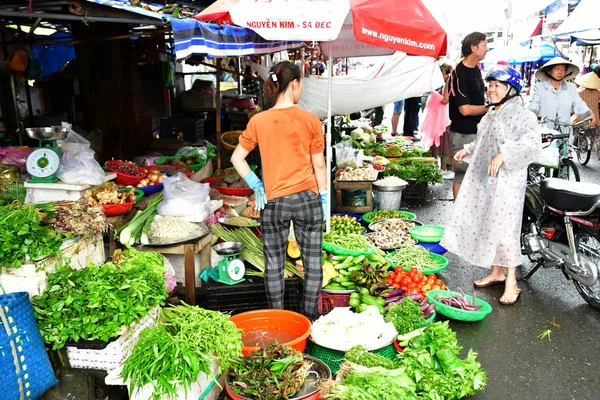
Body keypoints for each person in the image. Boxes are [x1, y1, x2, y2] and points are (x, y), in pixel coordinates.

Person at [230, 61, 327, 320]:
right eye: (301, 83)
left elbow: (237, 159)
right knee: (313, 264)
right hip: (308, 198)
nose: (302, 88)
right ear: (294, 84)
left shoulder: (259, 121)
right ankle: (308, 320)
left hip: (273, 201)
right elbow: (319, 163)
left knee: (273, 265)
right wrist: (325, 197)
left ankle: (279, 320)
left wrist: (256, 185)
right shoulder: (310, 120)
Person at [441, 66, 541, 306]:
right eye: (490, 85)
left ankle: (512, 282)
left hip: (508, 183)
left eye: (497, 85)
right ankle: (497, 272)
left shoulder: (521, 115)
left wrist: (503, 155)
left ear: (510, 89)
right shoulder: (491, 114)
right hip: (488, 180)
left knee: (506, 229)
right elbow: (484, 140)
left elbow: (531, 142)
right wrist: (469, 149)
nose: (491, 89)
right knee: (490, 223)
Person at [448, 32, 489, 200]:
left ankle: (466, 215)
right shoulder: (459, 74)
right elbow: (464, 110)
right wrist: (489, 108)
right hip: (463, 133)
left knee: (469, 175)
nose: (487, 49)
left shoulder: (476, 69)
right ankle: (459, 215)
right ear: (474, 47)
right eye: (484, 45)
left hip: (476, 130)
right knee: (463, 174)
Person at [528, 57, 597, 127]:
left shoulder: (571, 87)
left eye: (563, 69)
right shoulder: (539, 87)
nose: (560, 72)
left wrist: (588, 114)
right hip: (545, 129)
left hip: (565, 129)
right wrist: (531, 113)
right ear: (549, 71)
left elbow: (578, 103)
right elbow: (534, 103)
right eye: (557, 69)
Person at [574, 72, 600, 158]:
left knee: (569, 128)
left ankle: (570, 146)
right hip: (595, 119)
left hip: (580, 119)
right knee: (596, 135)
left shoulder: (578, 92)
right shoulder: (598, 93)